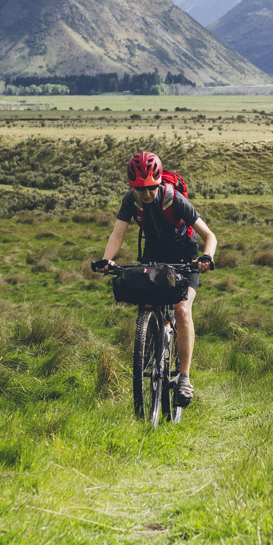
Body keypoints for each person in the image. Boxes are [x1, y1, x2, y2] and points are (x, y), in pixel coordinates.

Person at [93, 151, 216, 404]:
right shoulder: (131, 201)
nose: (147, 194)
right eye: (140, 189)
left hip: (185, 256)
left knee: (182, 311)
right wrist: (107, 259)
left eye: (151, 188)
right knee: (147, 303)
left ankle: (184, 378)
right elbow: (117, 235)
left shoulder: (174, 198)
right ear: (132, 187)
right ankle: (149, 345)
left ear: (159, 182)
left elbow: (209, 236)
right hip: (153, 255)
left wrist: (206, 257)